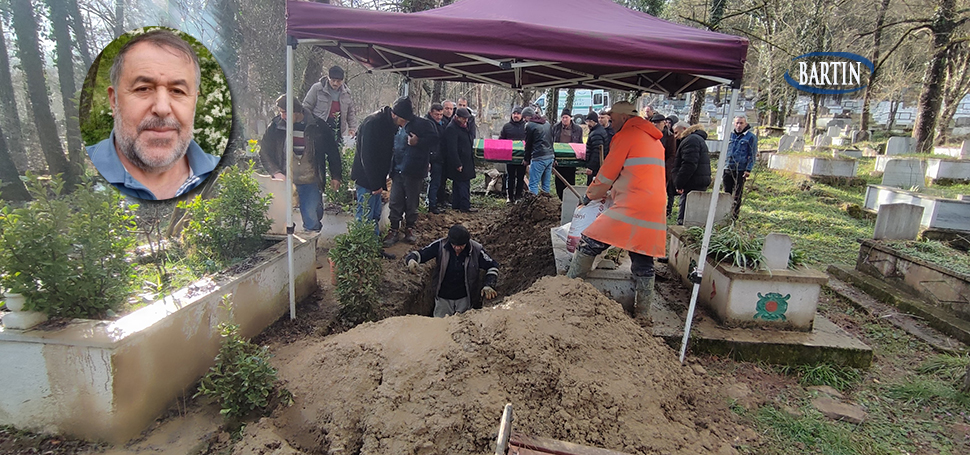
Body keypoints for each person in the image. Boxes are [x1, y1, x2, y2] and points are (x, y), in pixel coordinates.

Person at [86, 29, 221, 201]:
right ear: (114, 101)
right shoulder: (81, 176)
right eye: (143, 89)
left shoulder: (225, 177)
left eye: (177, 91)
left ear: (194, 103)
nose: (162, 108)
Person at [566, 101, 666, 322]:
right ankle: (643, 314)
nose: (611, 124)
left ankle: (566, 288)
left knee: (591, 239)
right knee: (642, 256)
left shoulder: (626, 136)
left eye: (613, 119)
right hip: (654, 205)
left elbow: (607, 172)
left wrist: (590, 195)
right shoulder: (654, 139)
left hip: (633, 202)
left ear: (622, 118)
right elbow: (637, 173)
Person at [258, 94, 341, 232]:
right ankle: (289, 249)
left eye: (285, 112)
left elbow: (332, 151)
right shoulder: (276, 126)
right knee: (280, 220)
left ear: (297, 111)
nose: (283, 116)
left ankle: (311, 248)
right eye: (280, 112)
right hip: (285, 181)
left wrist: (336, 175)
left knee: (312, 217)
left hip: (310, 179)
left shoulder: (317, 125)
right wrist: (276, 172)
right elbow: (264, 151)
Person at [404, 224, 499, 317]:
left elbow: (492, 266)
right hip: (443, 298)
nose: (457, 248)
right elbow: (420, 254)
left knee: (463, 327)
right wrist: (411, 260)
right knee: (440, 327)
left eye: (461, 245)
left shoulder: (476, 250)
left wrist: (489, 285)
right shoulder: (440, 245)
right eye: (454, 245)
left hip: (465, 299)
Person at [385, 97, 438, 247]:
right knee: (395, 201)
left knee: (412, 202)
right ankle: (394, 229)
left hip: (414, 171)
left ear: (400, 115)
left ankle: (410, 228)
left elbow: (435, 140)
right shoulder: (396, 128)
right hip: (398, 170)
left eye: (395, 113)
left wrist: (418, 142)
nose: (393, 116)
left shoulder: (423, 124)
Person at [351, 104, 398, 259]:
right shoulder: (373, 123)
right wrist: (375, 184)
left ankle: (373, 250)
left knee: (375, 215)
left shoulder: (386, 124)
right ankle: (361, 253)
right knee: (365, 216)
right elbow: (367, 157)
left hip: (375, 180)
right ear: (395, 115)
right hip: (367, 181)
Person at [671, 121, 712, 225]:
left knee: (685, 217)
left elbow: (688, 164)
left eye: (676, 133)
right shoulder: (697, 139)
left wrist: (679, 183)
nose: (675, 137)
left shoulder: (690, 140)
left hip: (692, 182)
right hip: (699, 180)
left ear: (684, 129)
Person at [303, 65, 358, 141]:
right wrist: (310, 123)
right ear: (328, 78)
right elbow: (306, 107)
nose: (335, 83)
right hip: (319, 128)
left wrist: (352, 128)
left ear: (342, 81)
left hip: (338, 129)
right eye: (333, 80)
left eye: (338, 81)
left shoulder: (347, 93)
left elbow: (351, 113)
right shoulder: (317, 89)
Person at [724, 115, 758, 219]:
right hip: (728, 167)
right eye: (737, 123)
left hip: (740, 169)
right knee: (726, 193)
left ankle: (734, 216)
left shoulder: (750, 137)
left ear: (746, 124)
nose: (739, 125)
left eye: (741, 123)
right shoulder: (730, 136)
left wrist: (748, 169)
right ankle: (724, 214)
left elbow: (752, 154)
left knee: (737, 194)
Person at [444, 107, 477, 213]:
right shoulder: (452, 128)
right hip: (459, 161)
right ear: (457, 117)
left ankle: (457, 205)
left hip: (466, 160)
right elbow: (452, 148)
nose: (466, 120)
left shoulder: (464, 126)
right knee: (463, 184)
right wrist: (457, 163)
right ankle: (464, 205)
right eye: (463, 118)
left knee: (459, 183)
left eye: (467, 118)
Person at [650, 113, 678, 217]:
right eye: (653, 122)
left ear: (664, 123)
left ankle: (666, 211)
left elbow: (671, 154)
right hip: (650, 167)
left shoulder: (669, 137)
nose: (655, 125)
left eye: (658, 122)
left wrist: (665, 168)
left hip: (664, 168)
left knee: (666, 192)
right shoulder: (650, 135)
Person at [522, 107, 554, 195]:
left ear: (528, 117)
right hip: (550, 156)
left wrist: (526, 160)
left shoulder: (529, 125)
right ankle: (546, 204)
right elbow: (551, 141)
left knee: (533, 184)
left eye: (524, 118)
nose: (524, 120)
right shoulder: (547, 123)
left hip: (538, 157)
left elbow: (528, 144)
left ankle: (534, 205)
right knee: (546, 185)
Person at [551, 108, 583, 200]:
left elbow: (579, 144)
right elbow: (552, 142)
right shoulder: (556, 128)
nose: (564, 119)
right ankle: (560, 197)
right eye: (563, 117)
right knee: (559, 181)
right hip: (558, 159)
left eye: (566, 117)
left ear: (570, 118)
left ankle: (570, 198)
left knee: (570, 179)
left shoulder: (577, 129)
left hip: (571, 159)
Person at [498, 106, 527, 202]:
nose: (516, 115)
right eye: (514, 113)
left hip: (522, 158)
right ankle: (509, 197)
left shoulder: (526, 126)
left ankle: (518, 196)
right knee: (510, 177)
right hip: (509, 157)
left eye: (518, 113)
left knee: (520, 177)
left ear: (522, 115)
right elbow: (501, 140)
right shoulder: (507, 127)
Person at [426, 103, 448, 214]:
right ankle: (431, 204)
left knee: (438, 182)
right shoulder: (428, 125)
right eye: (436, 114)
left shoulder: (442, 123)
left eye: (440, 114)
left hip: (440, 156)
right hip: (433, 157)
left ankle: (436, 201)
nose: (439, 117)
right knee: (434, 182)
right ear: (431, 113)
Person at [583, 113, 609, 185]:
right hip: (599, 166)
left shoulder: (596, 134)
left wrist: (591, 167)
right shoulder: (599, 130)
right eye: (587, 121)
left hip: (596, 168)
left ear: (593, 121)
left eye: (589, 121)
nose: (588, 124)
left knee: (592, 186)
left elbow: (596, 152)